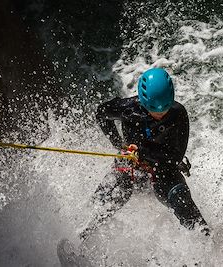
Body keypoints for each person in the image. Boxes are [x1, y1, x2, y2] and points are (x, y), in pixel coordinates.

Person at [80, 68, 208, 240]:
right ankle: (81, 235)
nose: (160, 114)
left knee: (182, 200)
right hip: (131, 166)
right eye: (154, 110)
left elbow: (175, 157)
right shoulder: (128, 109)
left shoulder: (178, 114)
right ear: (143, 101)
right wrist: (120, 145)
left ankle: (208, 243)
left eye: (165, 109)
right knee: (109, 198)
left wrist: (142, 151)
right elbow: (102, 113)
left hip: (163, 170)